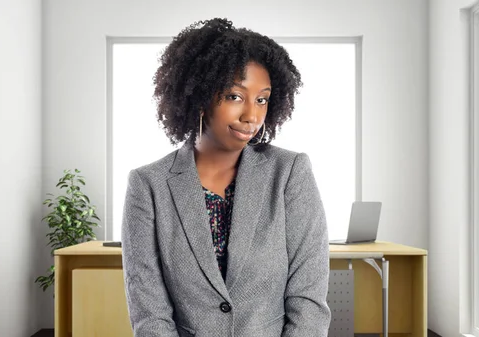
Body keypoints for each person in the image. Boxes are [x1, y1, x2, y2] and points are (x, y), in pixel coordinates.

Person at [121, 17, 331, 337]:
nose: (252, 116)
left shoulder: (289, 173)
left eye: (262, 99)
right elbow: (149, 313)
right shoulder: (148, 185)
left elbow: (308, 298)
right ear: (201, 96)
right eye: (235, 96)